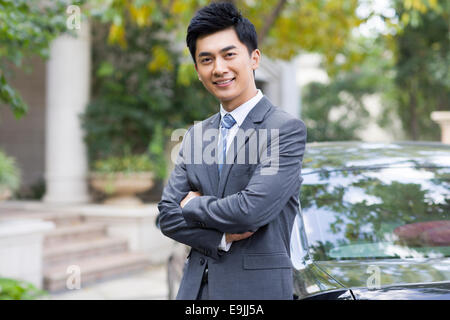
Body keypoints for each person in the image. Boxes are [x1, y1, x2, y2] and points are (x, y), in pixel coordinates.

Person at [158, 2, 306, 300]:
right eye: (206, 59)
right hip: (194, 294)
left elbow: (250, 211)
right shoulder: (196, 135)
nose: (219, 68)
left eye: (229, 55)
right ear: (198, 71)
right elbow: (167, 217)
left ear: (254, 58)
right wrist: (221, 237)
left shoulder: (284, 130)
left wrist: (191, 206)